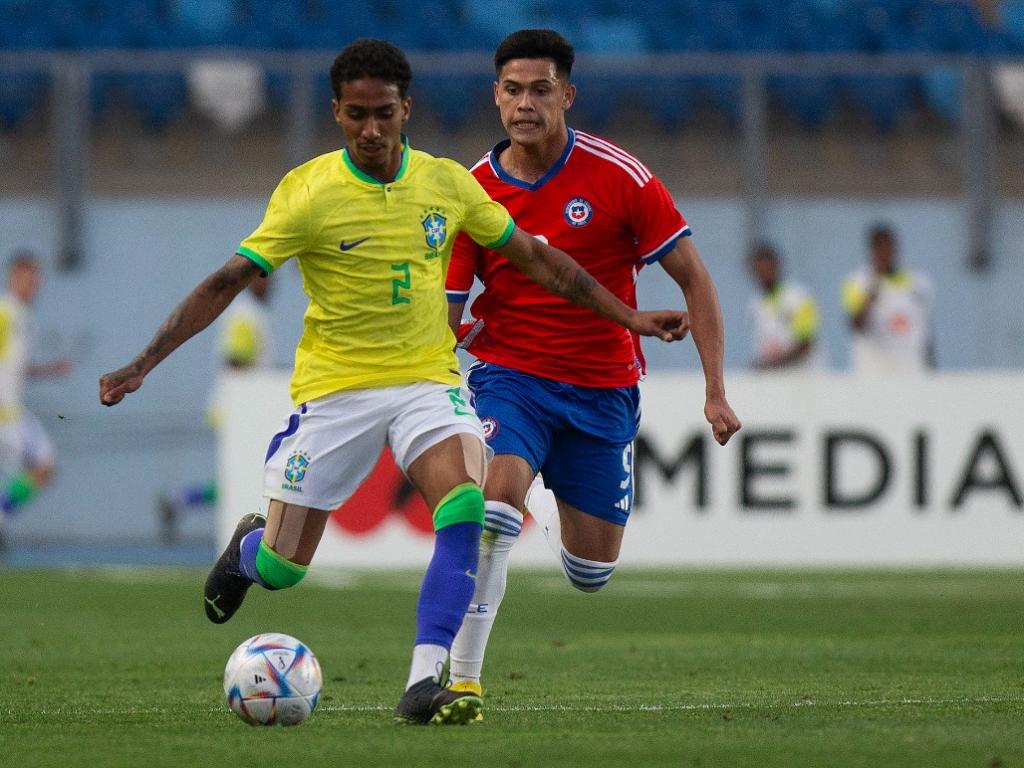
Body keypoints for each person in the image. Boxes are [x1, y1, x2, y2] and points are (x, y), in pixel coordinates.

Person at [98, 38, 687, 726]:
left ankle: (423, 682)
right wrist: (144, 361)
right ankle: (248, 554)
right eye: (357, 115)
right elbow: (227, 281)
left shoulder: (446, 184)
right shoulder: (307, 191)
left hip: (426, 385)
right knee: (286, 567)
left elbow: (539, 259)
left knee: (466, 506)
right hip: (337, 392)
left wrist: (629, 316)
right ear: (337, 113)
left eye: (384, 113)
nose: (371, 130)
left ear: (406, 108)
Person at [444, 29, 742, 702]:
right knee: (493, 511)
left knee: (590, 572)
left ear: (568, 96)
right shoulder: (472, 192)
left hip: (602, 388)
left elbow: (694, 279)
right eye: (513, 90)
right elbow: (448, 306)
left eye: (540, 90)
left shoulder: (621, 177)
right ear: (496, 97)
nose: (526, 104)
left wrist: (715, 391)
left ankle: (542, 494)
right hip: (509, 377)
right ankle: (462, 682)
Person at [156, 275, 274, 544]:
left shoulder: (249, 313)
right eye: (263, 279)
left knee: (241, 476)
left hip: (238, 408)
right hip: (239, 411)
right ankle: (184, 502)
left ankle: (179, 500)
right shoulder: (246, 315)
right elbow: (237, 362)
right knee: (244, 476)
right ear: (250, 282)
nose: (269, 285)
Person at [0, 251, 72, 552]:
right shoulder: (6, 312)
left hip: (12, 410)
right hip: (6, 412)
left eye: (37, 279)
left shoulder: (24, 316)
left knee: (44, 468)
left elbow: (13, 366)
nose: (34, 284)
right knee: (44, 466)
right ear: (13, 277)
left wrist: (49, 369)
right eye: (28, 278)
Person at [842, 224, 935, 374]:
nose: (885, 253)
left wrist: (931, 369)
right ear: (872, 250)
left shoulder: (918, 283)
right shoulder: (857, 283)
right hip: (874, 373)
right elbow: (856, 325)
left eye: (889, 247)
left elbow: (925, 332)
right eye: (880, 248)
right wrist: (872, 292)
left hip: (911, 371)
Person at [747, 243, 821, 370]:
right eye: (759, 271)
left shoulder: (800, 298)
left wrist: (773, 365)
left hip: (805, 376)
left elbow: (806, 344)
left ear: (777, 266)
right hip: (775, 379)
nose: (763, 275)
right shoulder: (755, 305)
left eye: (767, 269)